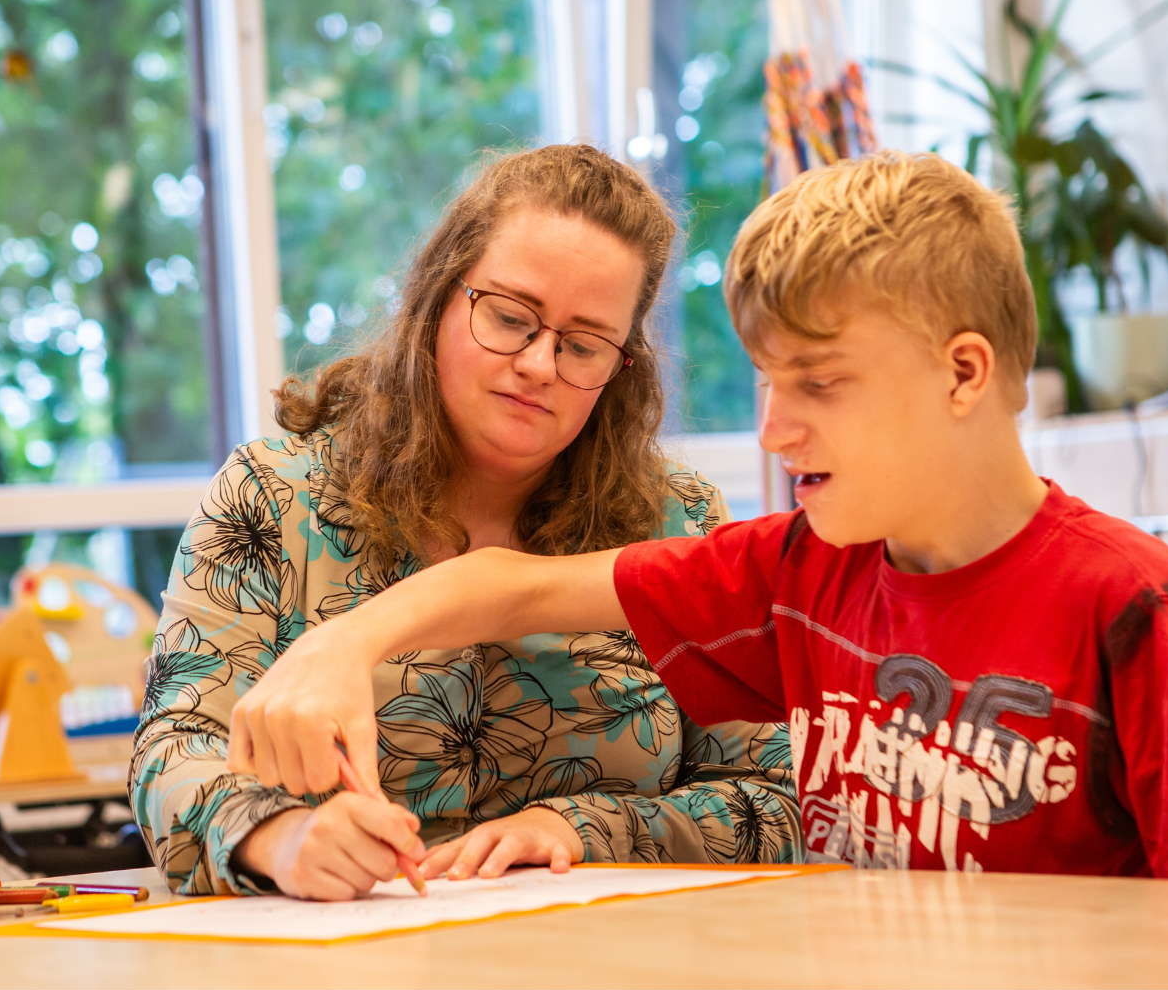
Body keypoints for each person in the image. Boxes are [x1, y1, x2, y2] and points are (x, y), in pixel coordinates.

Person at [224, 150, 1168, 886]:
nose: (775, 431)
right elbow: (510, 586)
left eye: (820, 386)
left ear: (964, 373)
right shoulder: (798, 572)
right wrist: (341, 643)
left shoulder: (1130, 605)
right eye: (766, 386)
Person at [130, 145, 801, 901]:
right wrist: (283, 840)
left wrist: (583, 830)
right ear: (438, 297)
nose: (539, 364)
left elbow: (778, 795)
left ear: (623, 367)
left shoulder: (678, 520)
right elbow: (173, 752)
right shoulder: (272, 497)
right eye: (511, 318)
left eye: (582, 345)